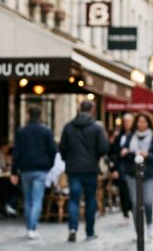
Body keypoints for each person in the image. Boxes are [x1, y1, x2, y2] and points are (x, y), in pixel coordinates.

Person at [59, 99, 109, 241]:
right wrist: (95, 156)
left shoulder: (68, 127)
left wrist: (68, 159)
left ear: (79, 109)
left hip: (73, 168)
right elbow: (104, 148)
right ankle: (90, 231)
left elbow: (62, 148)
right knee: (90, 199)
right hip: (90, 168)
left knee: (74, 199)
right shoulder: (96, 128)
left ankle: (73, 228)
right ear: (92, 110)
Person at [11, 105, 57, 239]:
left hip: (26, 168)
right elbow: (52, 150)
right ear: (41, 116)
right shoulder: (46, 131)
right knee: (37, 198)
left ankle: (29, 227)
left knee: (28, 199)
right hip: (41, 168)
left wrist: (14, 171)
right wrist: (49, 165)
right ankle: (33, 227)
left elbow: (17, 152)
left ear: (28, 115)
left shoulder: (21, 131)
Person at [120, 111, 153, 240]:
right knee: (135, 203)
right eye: (139, 121)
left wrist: (147, 155)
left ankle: (149, 224)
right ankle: (139, 231)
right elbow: (123, 155)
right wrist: (127, 152)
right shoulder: (129, 137)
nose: (141, 124)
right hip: (132, 173)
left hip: (149, 174)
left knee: (148, 201)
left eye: (144, 121)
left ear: (149, 123)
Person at [110, 113, 135, 224]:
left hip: (133, 166)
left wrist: (129, 152)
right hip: (121, 167)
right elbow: (114, 153)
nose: (126, 124)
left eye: (128, 122)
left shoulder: (135, 136)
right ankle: (125, 213)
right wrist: (114, 169)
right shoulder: (119, 136)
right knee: (123, 191)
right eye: (125, 122)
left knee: (133, 191)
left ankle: (133, 210)